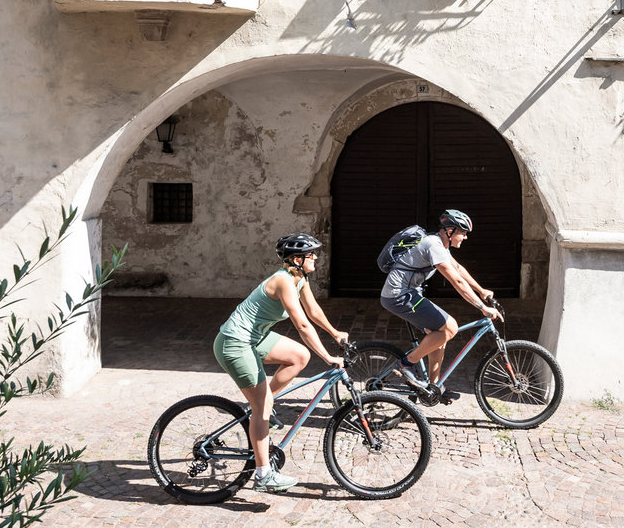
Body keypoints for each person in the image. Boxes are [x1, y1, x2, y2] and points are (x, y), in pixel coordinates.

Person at [213, 232, 349, 493]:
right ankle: (264, 475)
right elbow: (301, 324)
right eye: (311, 254)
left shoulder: (299, 279)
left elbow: (314, 312)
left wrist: (335, 333)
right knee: (261, 405)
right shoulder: (283, 281)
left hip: (254, 339)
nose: (316, 257)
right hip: (234, 343)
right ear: (297, 259)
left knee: (299, 357)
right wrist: (328, 357)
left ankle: (264, 404)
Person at [378, 208, 501, 401]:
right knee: (450, 327)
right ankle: (406, 364)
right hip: (398, 295)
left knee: (439, 336)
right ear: (450, 231)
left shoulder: (440, 244)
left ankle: (433, 388)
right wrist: (482, 307)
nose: (465, 237)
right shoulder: (433, 244)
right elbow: (457, 282)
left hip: (409, 293)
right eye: (463, 233)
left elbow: (458, 269)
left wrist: (481, 290)